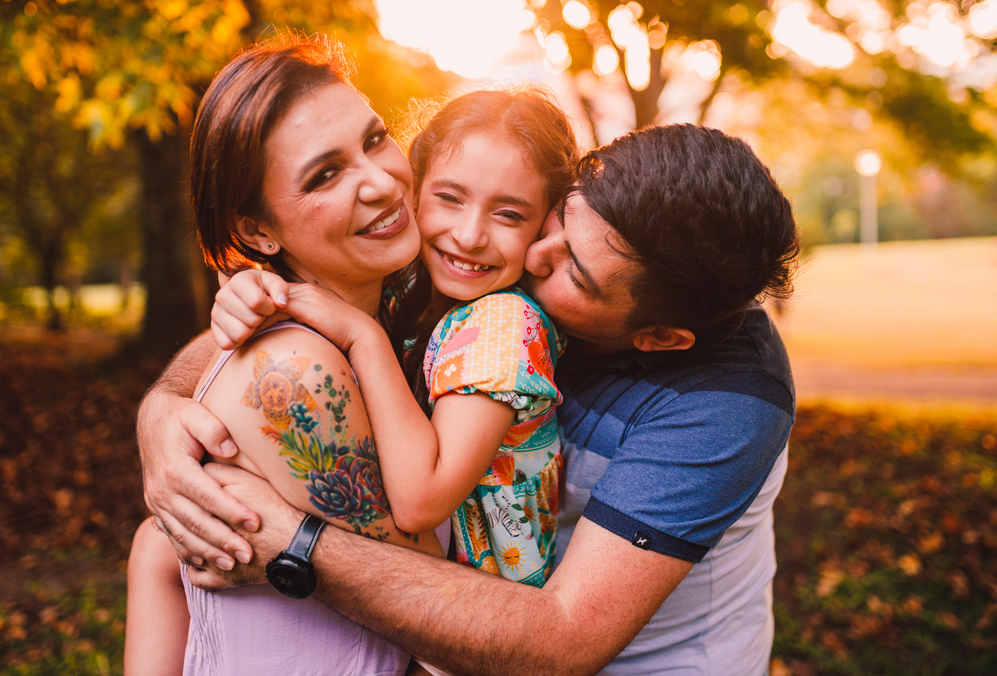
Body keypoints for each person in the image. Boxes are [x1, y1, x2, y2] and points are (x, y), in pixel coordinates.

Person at [143, 124, 800, 675]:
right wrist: (164, 409)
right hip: (465, 620)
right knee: (155, 548)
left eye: (575, 269)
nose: (534, 254)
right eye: (559, 216)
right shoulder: (480, 258)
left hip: (607, 660)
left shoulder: (728, 402)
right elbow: (289, 317)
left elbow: (564, 638)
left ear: (658, 336)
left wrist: (297, 546)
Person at [125, 31, 445, 676]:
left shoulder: (382, 311)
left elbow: (154, 549)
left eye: (375, 139)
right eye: (326, 175)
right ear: (256, 231)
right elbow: (448, 614)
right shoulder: (294, 375)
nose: (381, 182)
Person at [232, 87, 579, 588]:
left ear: (544, 226)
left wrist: (362, 336)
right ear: (415, 189)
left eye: (509, 214)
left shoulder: (503, 325)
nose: (469, 235)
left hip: (477, 619)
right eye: (450, 198)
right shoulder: (414, 288)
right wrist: (247, 286)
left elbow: (422, 501)